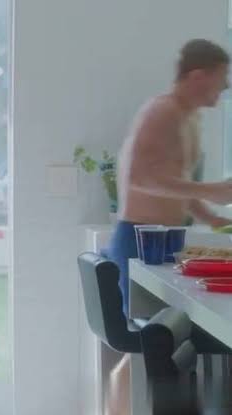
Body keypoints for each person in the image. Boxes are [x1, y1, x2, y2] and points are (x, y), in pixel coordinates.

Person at [106, 38, 232, 415]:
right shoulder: (161, 111)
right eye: (221, 79)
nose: (225, 87)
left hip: (164, 242)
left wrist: (211, 217)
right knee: (145, 348)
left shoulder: (189, 118)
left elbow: (175, 182)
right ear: (198, 76)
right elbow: (142, 176)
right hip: (138, 238)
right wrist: (211, 190)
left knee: (163, 346)